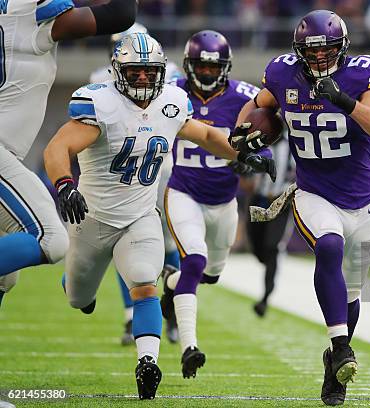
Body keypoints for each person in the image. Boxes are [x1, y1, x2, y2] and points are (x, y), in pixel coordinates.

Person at [43, 33, 275, 399]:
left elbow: (207, 135)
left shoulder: (171, 101)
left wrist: (241, 153)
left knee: (145, 284)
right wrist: (64, 184)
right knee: (77, 297)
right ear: (118, 72)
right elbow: (59, 146)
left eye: (148, 72)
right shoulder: (99, 102)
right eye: (134, 72)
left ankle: (147, 363)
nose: (142, 79)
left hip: (139, 215)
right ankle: (74, 284)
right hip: (91, 217)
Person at [233, 9, 370, 406]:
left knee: (353, 291)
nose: (320, 59)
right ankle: (341, 346)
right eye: (312, 52)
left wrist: (344, 101)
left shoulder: (363, 74)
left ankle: (333, 364)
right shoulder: (282, 72)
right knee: (328, 247)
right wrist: (242, 140)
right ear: (298, 50)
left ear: (341, 48)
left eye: (327, 51)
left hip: (362, 200)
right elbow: (256, 109)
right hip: (313, 192)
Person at [0, 0, 137, 307]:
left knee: (5, 276)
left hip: (7, 152)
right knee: (49, 238)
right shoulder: (26, 16)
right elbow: (121, 13)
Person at [158, 30, 267, 379]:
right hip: (183, 192)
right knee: (195, 258)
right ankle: (189, 346)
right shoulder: (170, 92)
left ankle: (172, 284)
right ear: (189, 66)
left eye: (212, 68)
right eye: (200, 68)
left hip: (223, 201)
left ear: (225, 67)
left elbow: (270, 132)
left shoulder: (244, 97)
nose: (206, 74)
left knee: (211, 273)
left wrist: (252, 156)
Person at [88, 21, 183, 346]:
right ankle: (133, 315)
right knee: (123, 239)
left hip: (160, 165)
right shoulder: (100, 82)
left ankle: (170, 310)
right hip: (120, 176)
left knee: (171, 241)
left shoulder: (168, 75)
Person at [248, 134, 295, 317]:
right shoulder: (258, 140)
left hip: (281, 202)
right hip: (259, 199)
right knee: (257, 248)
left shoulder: (294, 143)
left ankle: (265, 298)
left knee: (272, 247)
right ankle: (270, 263)